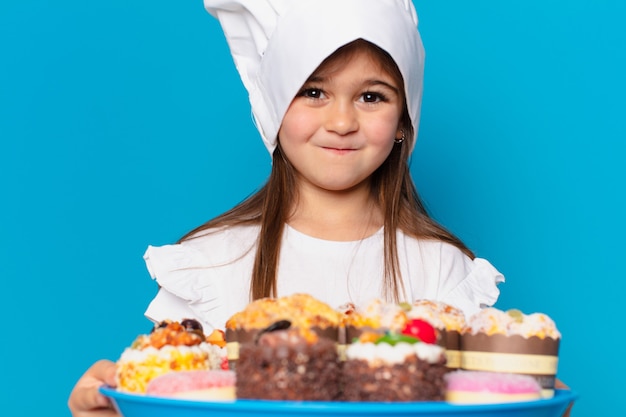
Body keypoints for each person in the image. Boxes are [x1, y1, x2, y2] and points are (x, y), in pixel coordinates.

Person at [68, 0, 505, 415]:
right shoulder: (211, 263)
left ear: (402, 120)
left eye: (371, 97)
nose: (341, 122)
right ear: (274, 107)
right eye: (313, 91)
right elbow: (164, 394)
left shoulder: (444, 271)